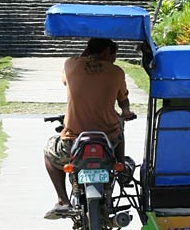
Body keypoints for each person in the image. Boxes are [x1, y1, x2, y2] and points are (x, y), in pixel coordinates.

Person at [43, 37, 137, 219]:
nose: (115, 59)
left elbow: (65, 81)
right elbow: (123, 100)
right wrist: (125, 111)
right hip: (108, 140)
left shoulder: (71, 65)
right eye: (114, 54)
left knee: (49, 152)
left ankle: (63, 201)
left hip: (73, 141)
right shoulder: (116, 72)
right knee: (119, 125)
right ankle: (120, 165)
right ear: (106, 52)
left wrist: (87, 53)